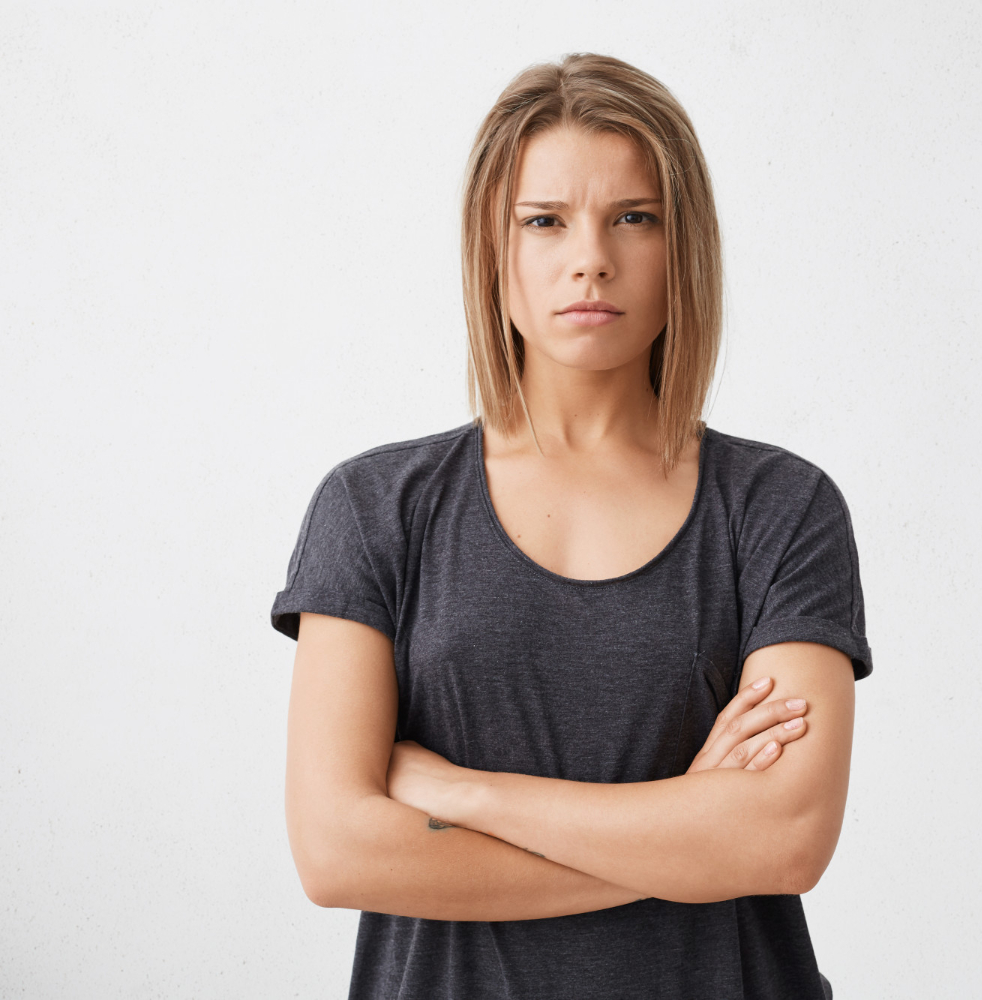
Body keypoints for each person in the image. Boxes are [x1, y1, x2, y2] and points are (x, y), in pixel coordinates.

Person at [271, 53, 872, 1000]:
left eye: (634, 217)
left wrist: (464, 794)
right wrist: (688, 834)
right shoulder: (374, 506)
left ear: (685, 249)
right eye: (544, 221)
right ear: (493, 252)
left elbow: (784, 839)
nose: (590, 255)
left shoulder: (779, 509)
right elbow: (339, 852)